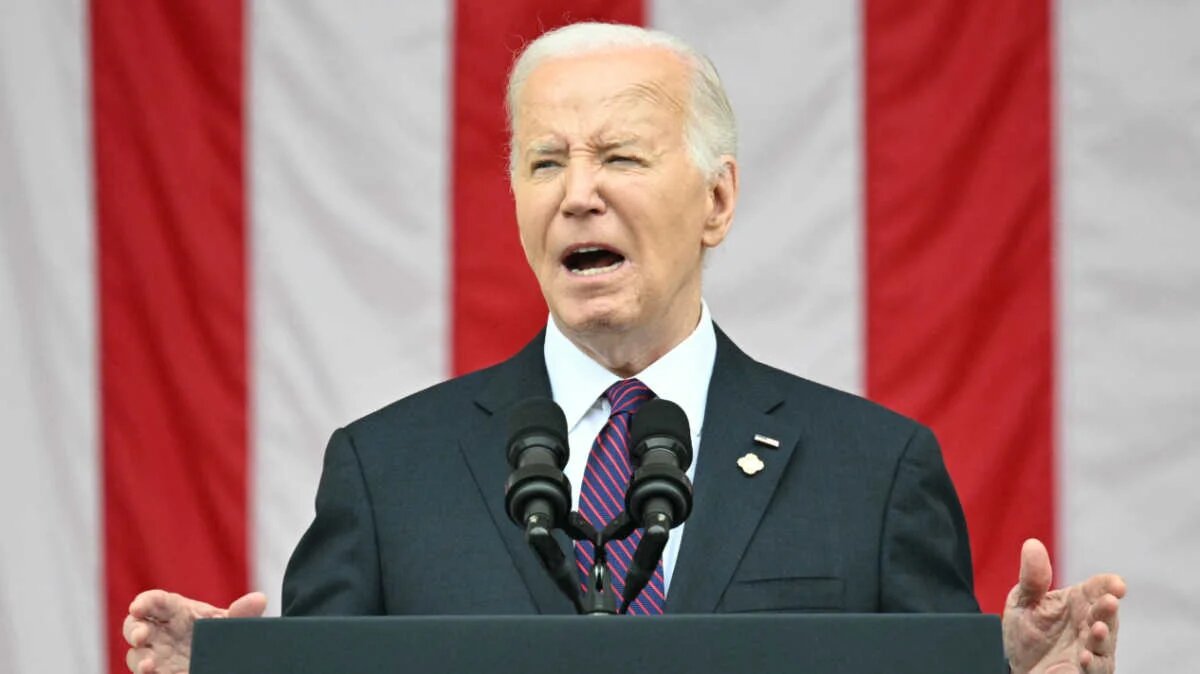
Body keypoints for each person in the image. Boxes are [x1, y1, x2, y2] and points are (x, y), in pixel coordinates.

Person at [123, 22, 1124, 673]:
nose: (577, 192)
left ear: (717, 200)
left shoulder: (872, 470)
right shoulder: (388, 472)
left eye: (621, 156)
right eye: (545, 160)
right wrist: (248, 672)